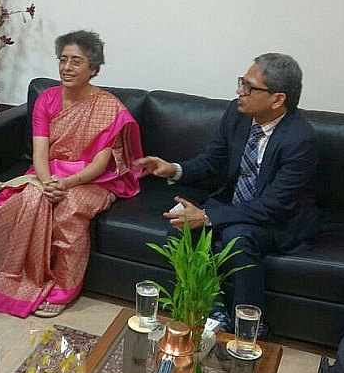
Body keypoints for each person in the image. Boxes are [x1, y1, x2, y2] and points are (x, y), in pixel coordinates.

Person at [134, 53, 319, 334]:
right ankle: (213, 309)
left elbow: (274, 205)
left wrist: (208, 216)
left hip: (279, 221)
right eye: (241, 83)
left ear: (277, 99)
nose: (239, 91)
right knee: (181, 225)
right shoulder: (237, 114)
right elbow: (213, 161)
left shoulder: (300, 139)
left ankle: (249, 327)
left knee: (237, 237)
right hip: (234, 205)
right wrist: (173, 168)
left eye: (249, 87)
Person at [0, 31, 143, 319]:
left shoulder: (109, 108)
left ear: (93, 69)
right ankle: (19, 279)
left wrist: (67, 183)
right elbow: (40, 152)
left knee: (68, 210)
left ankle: (65, 288)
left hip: (94, 179)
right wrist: (46, 181)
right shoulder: (47, 99)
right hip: (49, 173)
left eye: (76, 61)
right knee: (26, 201)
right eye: (63, 60)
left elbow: (100, 164)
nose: (67, 67)